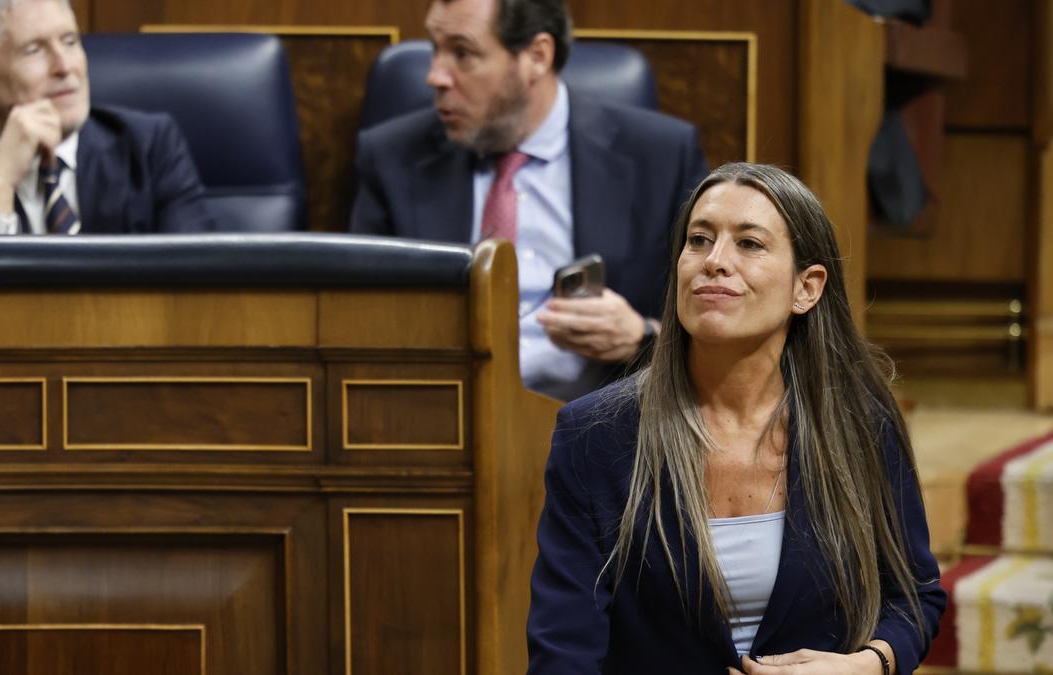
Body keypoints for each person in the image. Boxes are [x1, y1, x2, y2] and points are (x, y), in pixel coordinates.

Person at [526, 163, 946, 674]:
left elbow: (914, 595)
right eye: (699, 240)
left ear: (806, 289)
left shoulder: (859, 422)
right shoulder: (595, 434)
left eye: (749, 244)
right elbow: (563, 649)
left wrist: (867, 664)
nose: (715, 262)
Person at [349, 0, 708, 401]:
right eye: (435, 48)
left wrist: (644, 337)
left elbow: (715, 315)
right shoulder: (392, 157)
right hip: (441, 415)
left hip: (604, 425)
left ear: (536, 56)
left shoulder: (658, 156)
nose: (434, 76)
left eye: (462, 53)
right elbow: (359, 316)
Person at [0, 0, 215, 234]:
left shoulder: (149, 149)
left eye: (69, 41)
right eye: (34, 50)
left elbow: (203, 286)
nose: (64, 66)